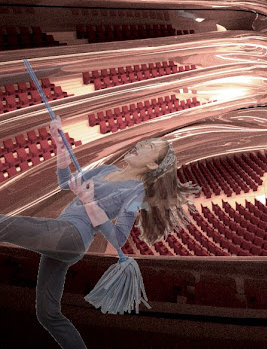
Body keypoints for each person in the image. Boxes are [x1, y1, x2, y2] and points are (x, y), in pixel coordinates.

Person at [0, 116, 199, 348]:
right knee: (48, 314)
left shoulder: (136, 192)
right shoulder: (106, 169)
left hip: (71, 236)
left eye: (150, 146)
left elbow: (118, 238)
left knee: (5, 225)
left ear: (153, 165)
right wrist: (60, 146)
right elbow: (66, 182)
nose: (142, 144)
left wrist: (89, 203)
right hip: (63, 239)